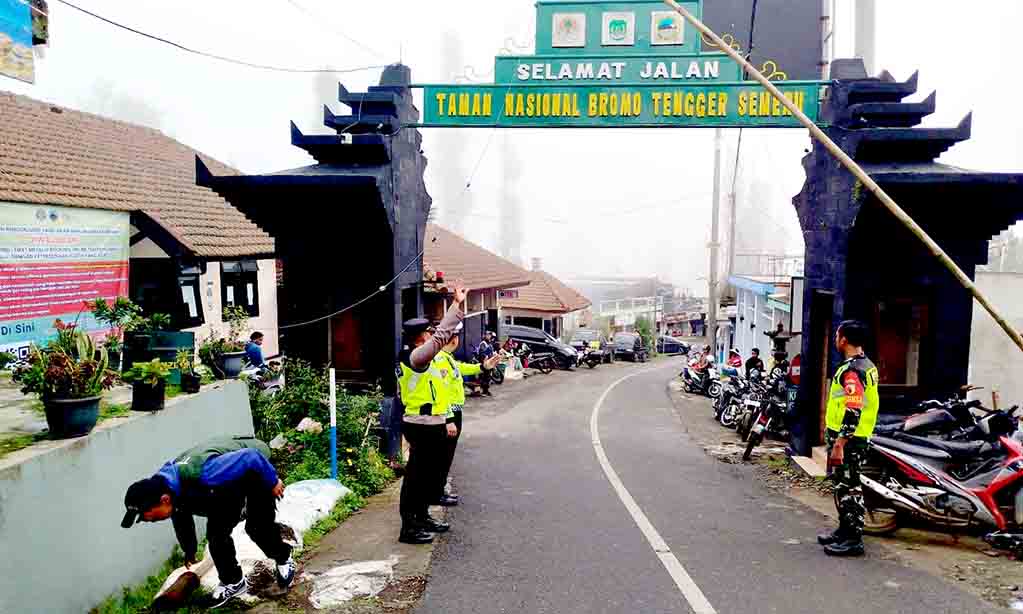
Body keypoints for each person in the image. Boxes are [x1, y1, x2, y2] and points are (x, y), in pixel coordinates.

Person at [121, 436, 294, 606]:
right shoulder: (169, 490)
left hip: (255, 469)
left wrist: (273, 481)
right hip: (227, 488)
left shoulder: (204, 473)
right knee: (217, 536)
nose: (145, 519)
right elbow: (182, 519)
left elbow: (251, 457)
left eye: (145, 514)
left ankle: (284, 558)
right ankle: (233, 583)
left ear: (164, 500)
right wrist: (189, 551)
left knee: (257, 527)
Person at [396, 281, 467, 545]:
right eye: (428, 332)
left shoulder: (422, 357)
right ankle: (409, 527)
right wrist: (456, 305)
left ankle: (422, 515)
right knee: (415, 477)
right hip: (421, 423)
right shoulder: (416, 357)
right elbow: (441, 337)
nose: (432, 335)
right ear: (421, 336)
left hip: (432, 422)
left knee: (427, 475)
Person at [817, 320, 880, 557]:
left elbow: (853, 408)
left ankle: (853, 539)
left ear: (843, 340)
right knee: (842, 485)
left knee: (850, 487)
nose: (835, 339)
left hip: (849, 440)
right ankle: (844, 530)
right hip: (852, 436)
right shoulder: (866, 364)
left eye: (837, 336)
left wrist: (840, 443)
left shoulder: (853, 371)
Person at [437, 334, 501, 507]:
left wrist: (483, 366)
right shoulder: (441, 360)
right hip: (449, 413)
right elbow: (441, 392)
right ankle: (437, 492)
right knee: (444, 454)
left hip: (452, 411)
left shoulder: (447, 358)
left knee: (447, 454)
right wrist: (448, 418)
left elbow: (461, 368)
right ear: (453, 340)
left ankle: (439, 490)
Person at [476, 331, 497, 396]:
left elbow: (491, 352)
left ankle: (486, 390)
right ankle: (483, 391)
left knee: (488, 377)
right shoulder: (483, 343)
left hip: (489, 362)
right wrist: (486, 359)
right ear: (485, 336)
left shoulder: (489, 343)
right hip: (484, 362)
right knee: (484, 377)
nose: (489, 336)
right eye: (487, 335)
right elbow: (482, 353)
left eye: (490, 335)